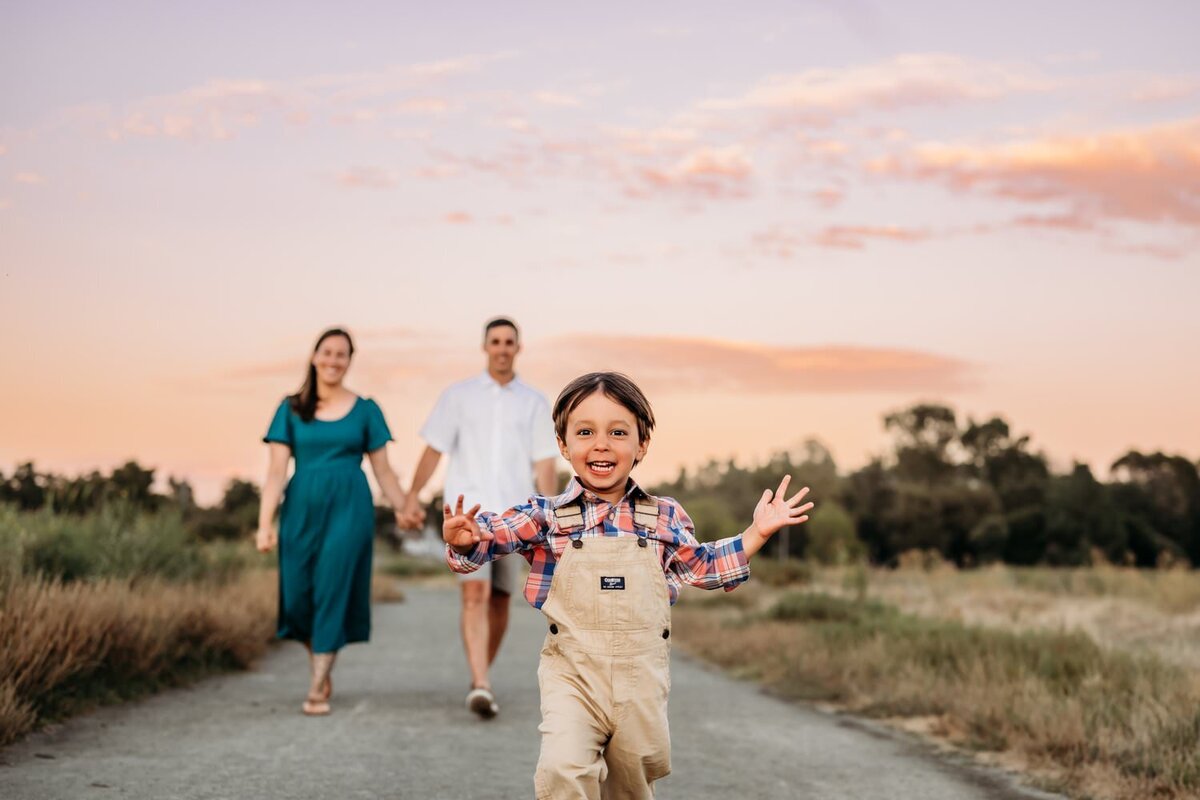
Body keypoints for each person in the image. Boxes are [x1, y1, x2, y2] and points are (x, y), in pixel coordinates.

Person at [443, 372, 814, 798]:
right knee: (562, 769)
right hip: (573, 675)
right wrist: (465, 539)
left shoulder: (662, 517)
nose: (601, 444)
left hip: (641, 680)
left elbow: (705, 567)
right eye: (585, 432)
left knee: (631, 784)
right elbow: (494, 535)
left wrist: (756, 534)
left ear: (641, 445)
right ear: (563, 445)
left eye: (618, 432)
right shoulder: (545, 515)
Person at [398, 317, 558, 719]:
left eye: (509, 342)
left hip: (514, 518)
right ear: (485, 347)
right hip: (467, 516)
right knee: (474, 594)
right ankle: (482, 684)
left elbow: (544, 462)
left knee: (501, 599)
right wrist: (413, 496)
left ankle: (478, 677)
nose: (502, 348)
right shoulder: (458, 396)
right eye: (495, 341)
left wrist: (553, 511)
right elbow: (433, 449)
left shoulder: (535, 402)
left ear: (518, 348)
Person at [256, 327, 409, 716]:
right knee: (298, 597)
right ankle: (319, 663)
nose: (334, 360)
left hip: (349, 507)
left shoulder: (366, 409)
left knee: (332, 588)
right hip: (301, 508)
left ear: (350, 361)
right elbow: (275, 472)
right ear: (314, 356)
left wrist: (404, 506)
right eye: (327, 352)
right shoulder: (290, 407)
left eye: (342, 354)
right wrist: (264, 523)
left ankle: (316, 684)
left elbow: (384, 472)